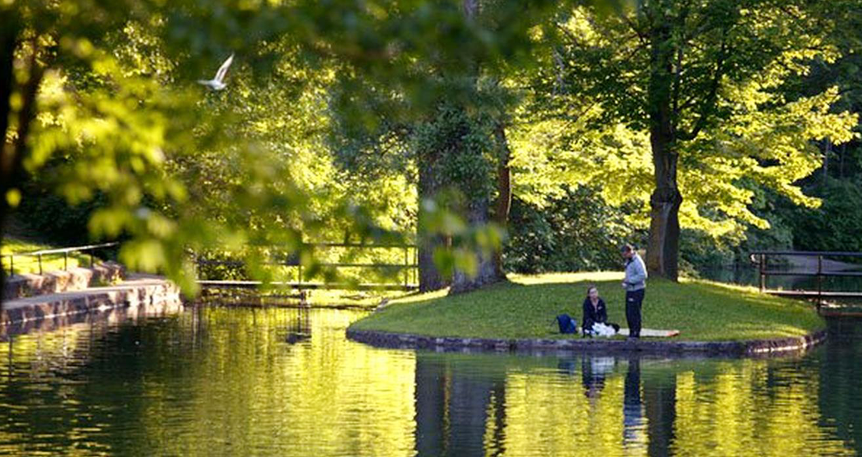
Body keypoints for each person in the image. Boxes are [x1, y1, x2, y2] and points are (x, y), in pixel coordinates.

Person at [621, 244, 647, 339]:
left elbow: (643, 275)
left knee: (634, 312)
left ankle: (636, 333)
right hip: (630, 290)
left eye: (625, 254)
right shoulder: (629, 261)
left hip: (637, 290)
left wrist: (630, 280)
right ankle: (631, 331)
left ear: (629, 252)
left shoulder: (637, 261)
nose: (624, 257)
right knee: (628, 312)